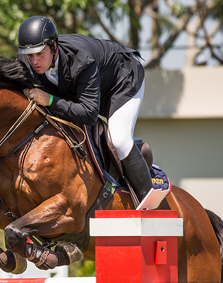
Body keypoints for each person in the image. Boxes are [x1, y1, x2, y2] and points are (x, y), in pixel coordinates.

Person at [17, 15, 153, 205]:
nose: (34, 61)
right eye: (30, 55)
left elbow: (89, 114)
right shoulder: (27, 61)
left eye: (40, 54)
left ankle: (150, 204)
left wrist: (49, 100)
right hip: (89, 88)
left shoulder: (81, 60)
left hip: (122, 80)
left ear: (54, 47)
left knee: (120, 139)